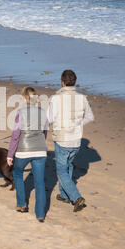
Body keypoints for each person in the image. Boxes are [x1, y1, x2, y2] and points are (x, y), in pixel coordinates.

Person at [47, 70, 94, 212]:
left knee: (62, 170)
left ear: (62, 82)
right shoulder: (82, 98)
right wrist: (77, 124)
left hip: (63, 139)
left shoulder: (56, 98)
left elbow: (49, 118)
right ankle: (64, 195)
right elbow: (90, 117)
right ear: (75, 82)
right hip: (76, 140)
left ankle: (76, 197)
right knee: (68, 166)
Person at [7, 87, 48, 222]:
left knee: (18, 173)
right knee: (40, 182)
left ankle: (22, 204)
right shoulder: (43, 112)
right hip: (41, 149)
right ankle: (40, 214)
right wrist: (40, 143)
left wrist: (10, 154)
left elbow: (15, 135)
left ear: (24, 98)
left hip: (24, 149)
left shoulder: (21, 112)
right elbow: (44, 132)